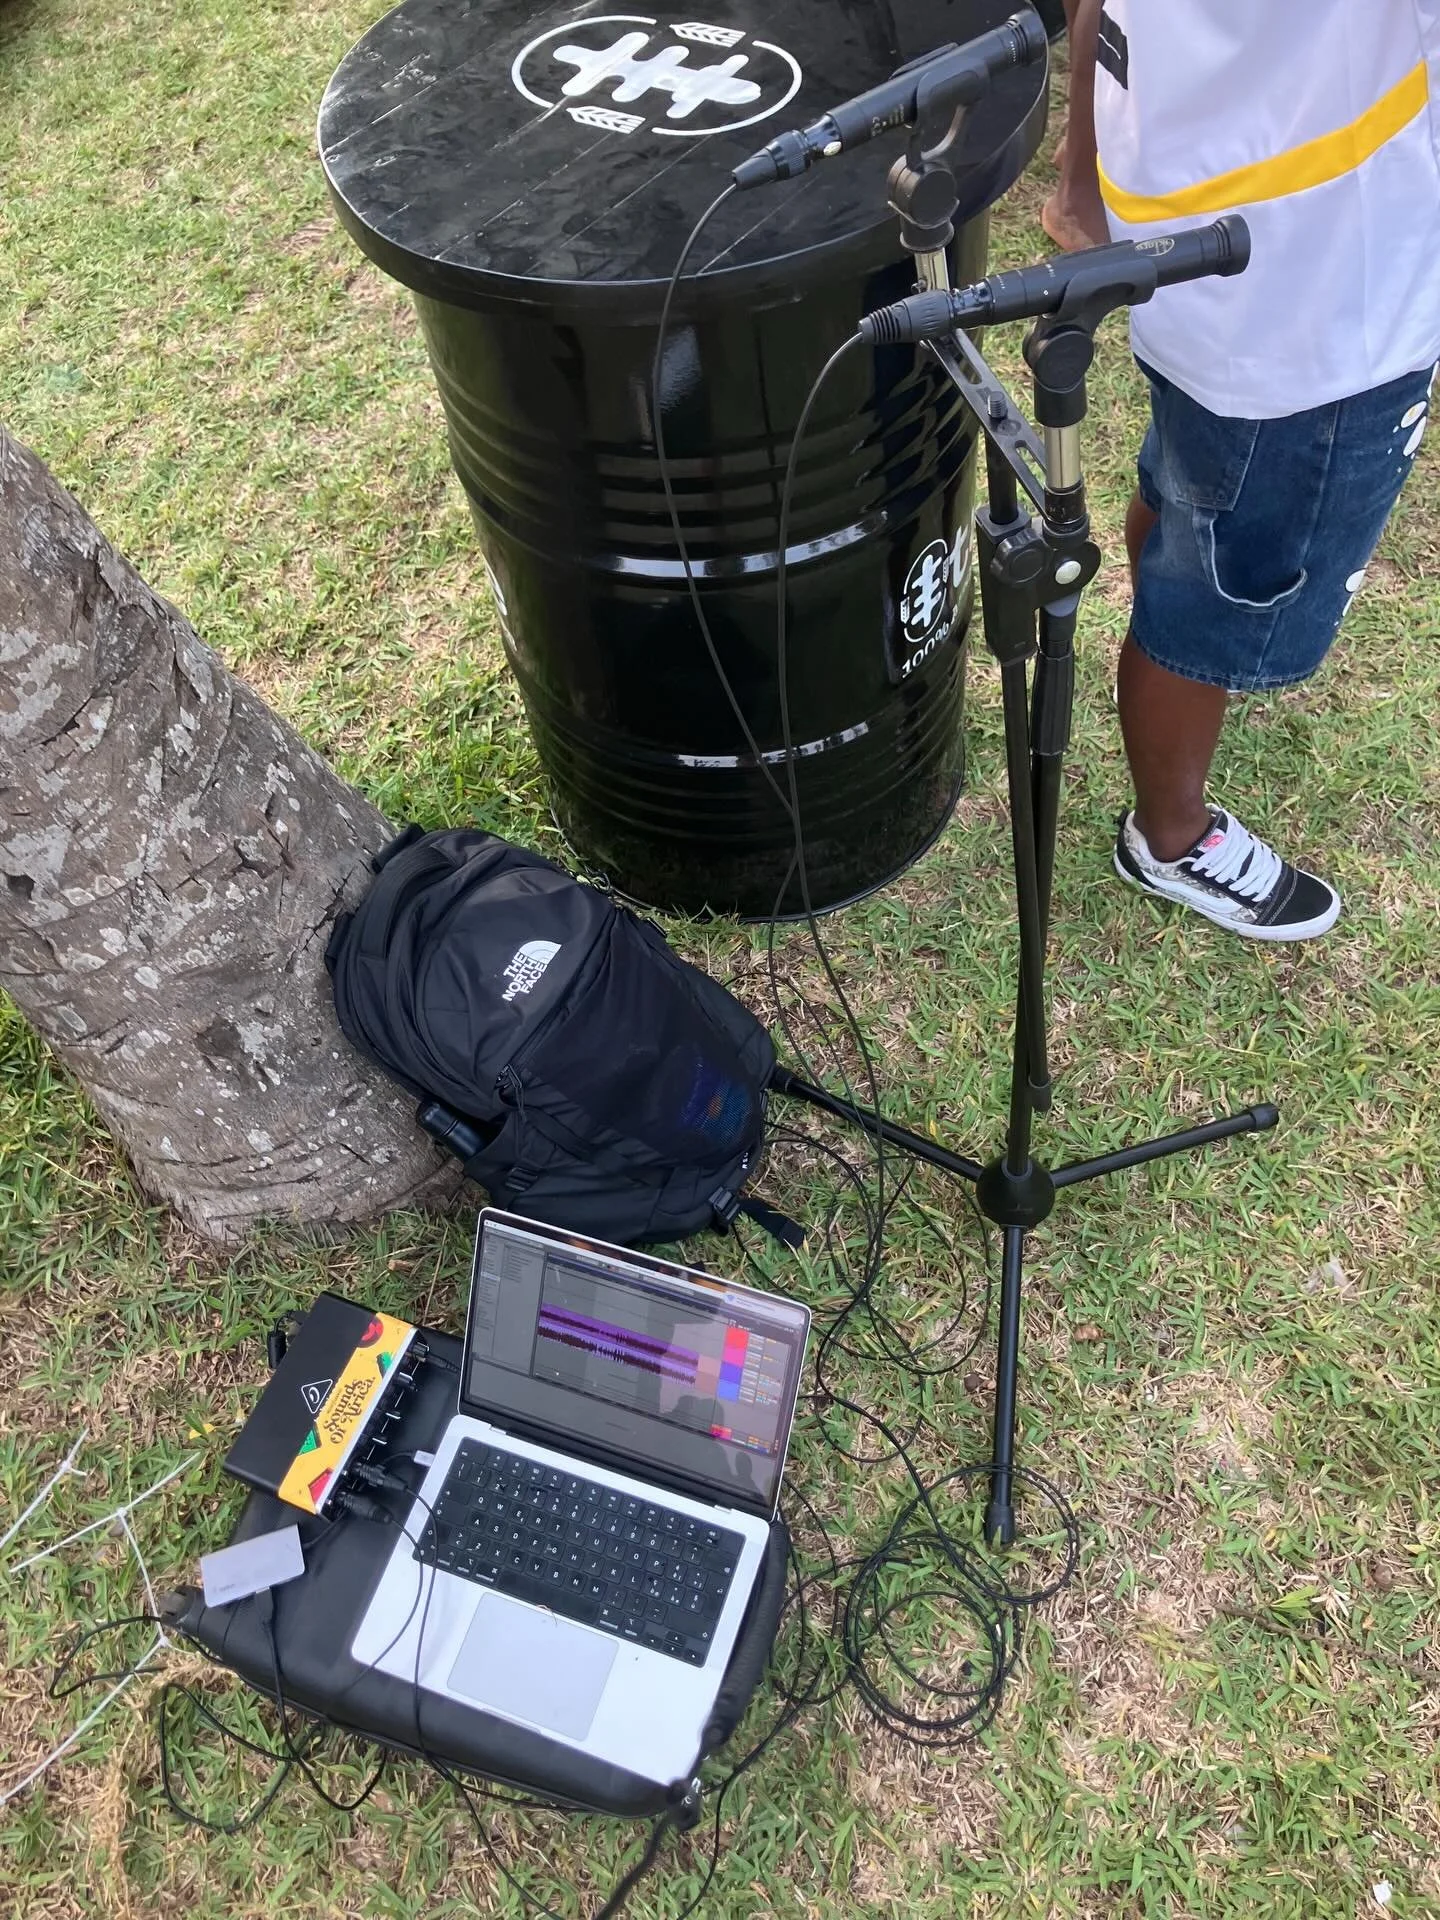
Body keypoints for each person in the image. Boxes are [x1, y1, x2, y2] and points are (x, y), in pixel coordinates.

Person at [1076, 1, 1440, 939]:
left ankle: (1173, 622)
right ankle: (1170, 836)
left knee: (1189, 494)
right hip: (1319, 305)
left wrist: (1083, 182)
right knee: (1215, 600)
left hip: (1186, 234)